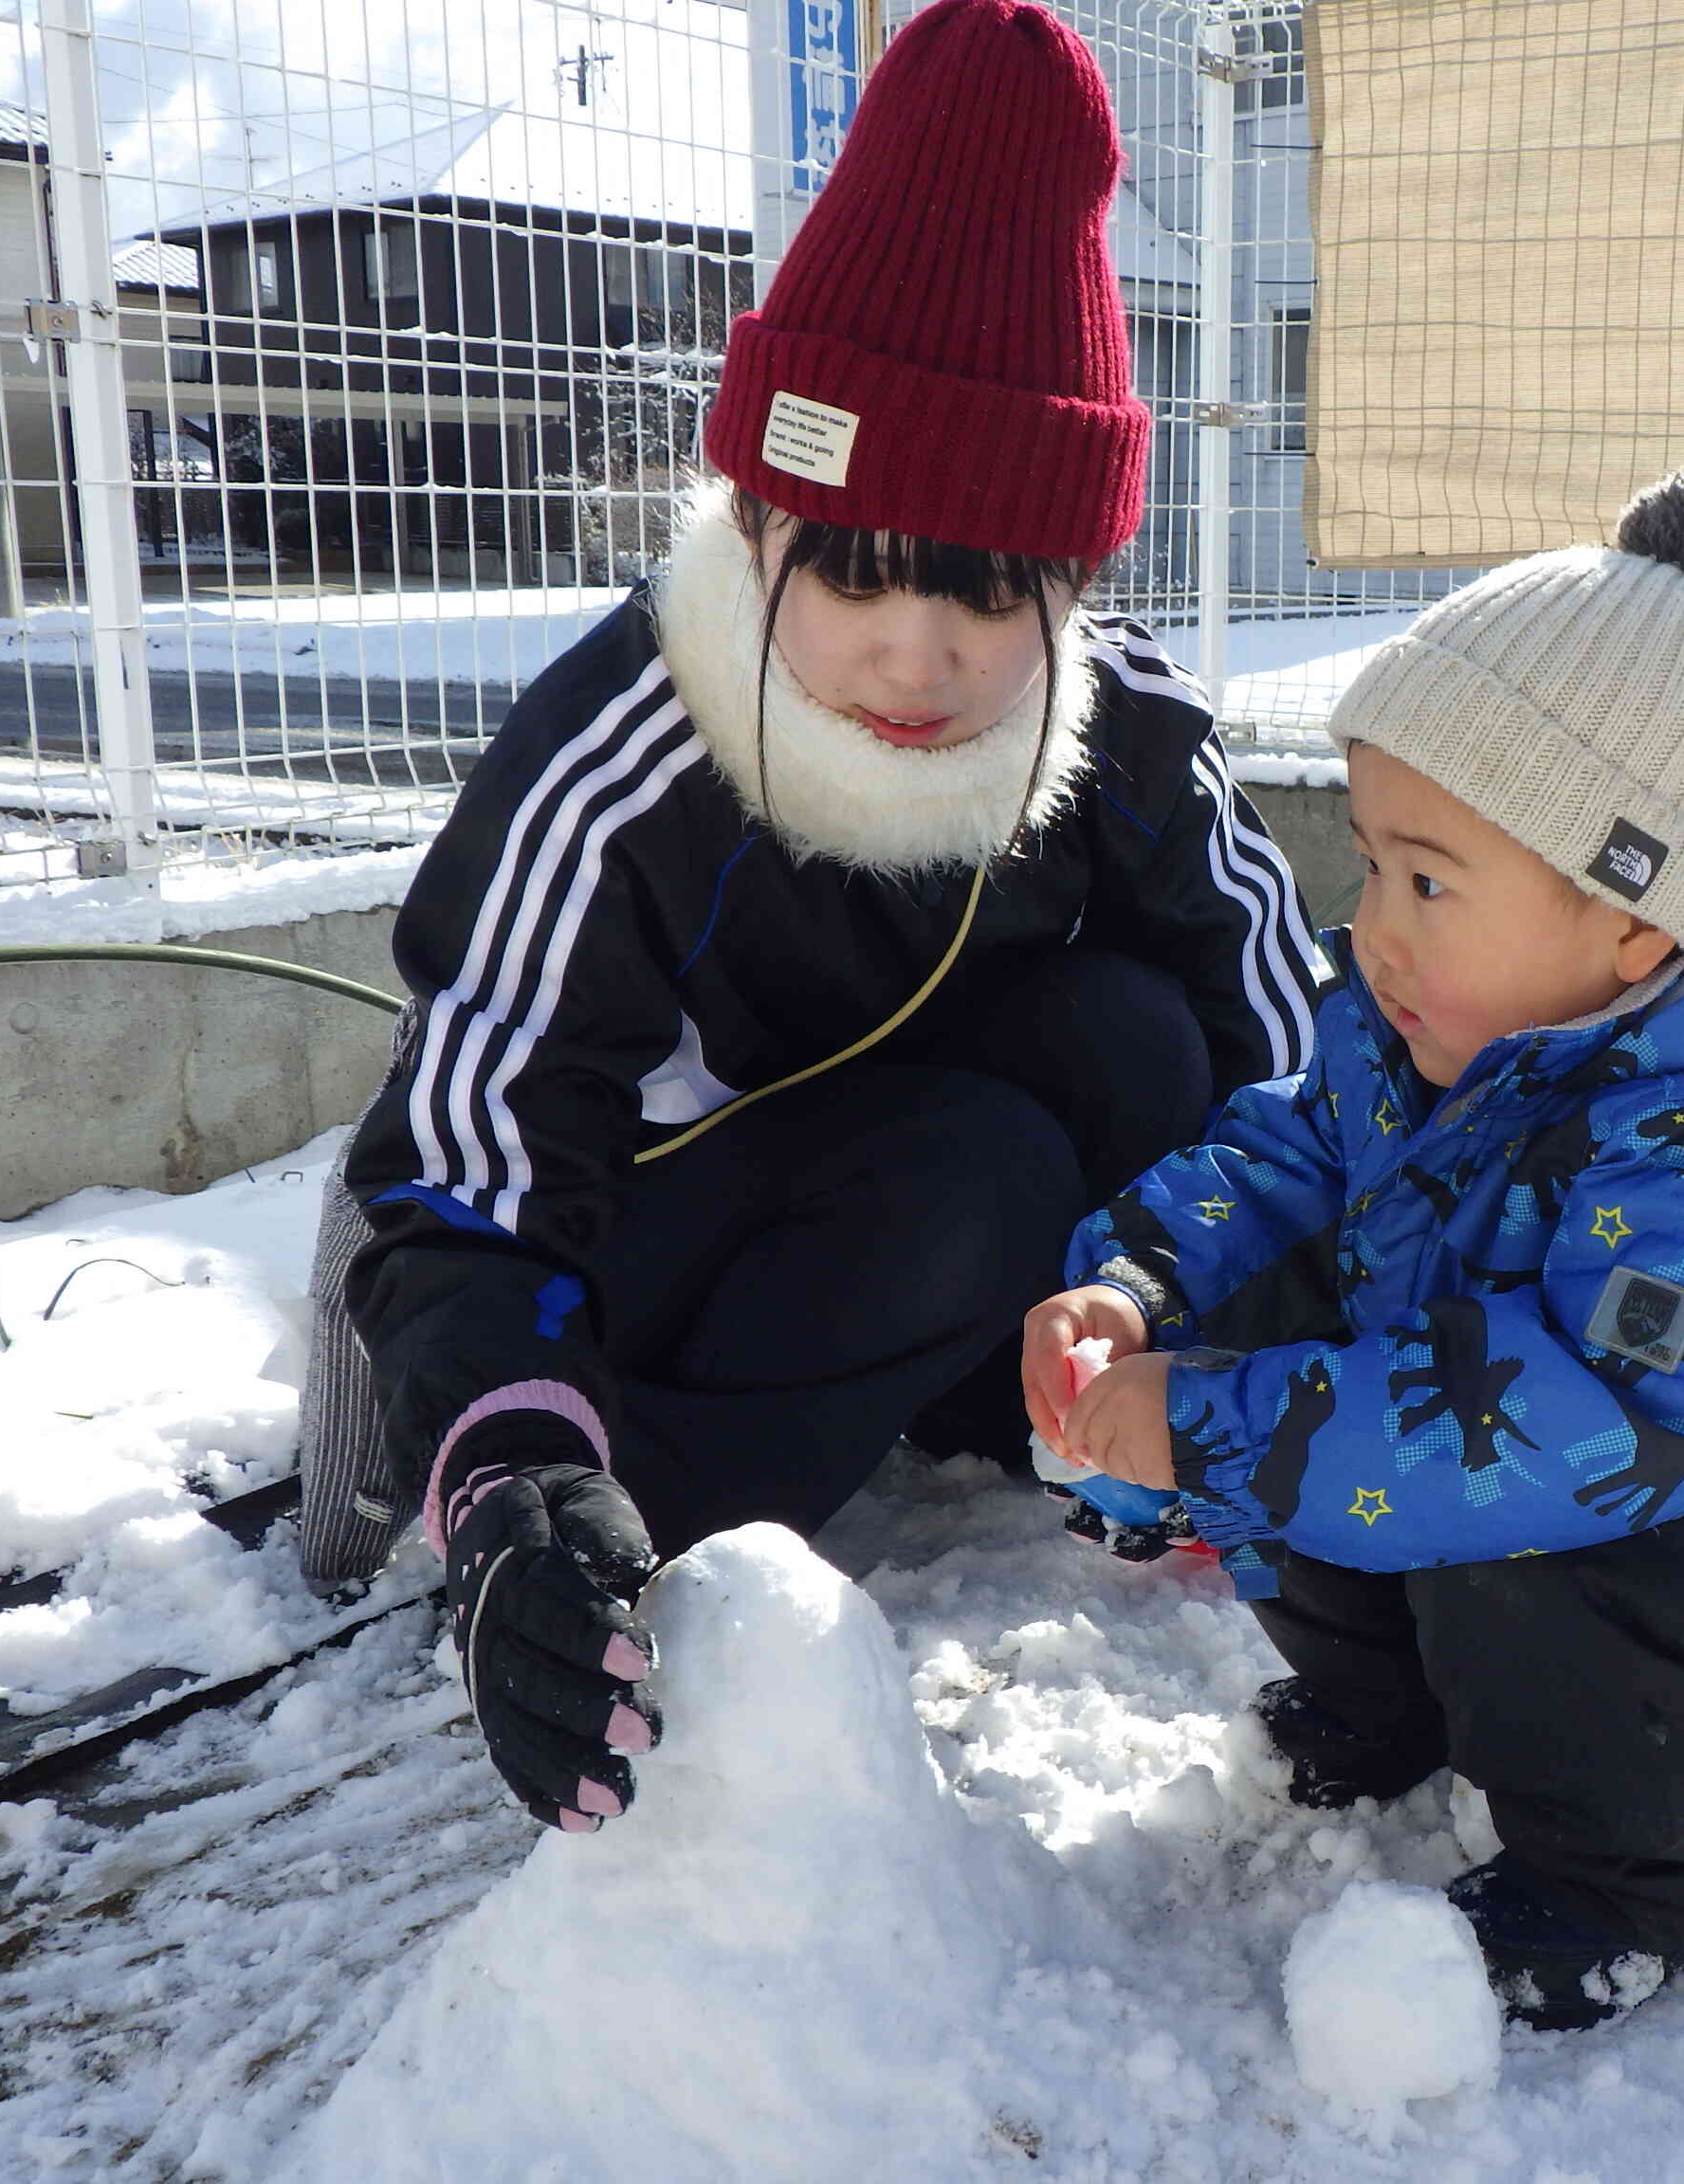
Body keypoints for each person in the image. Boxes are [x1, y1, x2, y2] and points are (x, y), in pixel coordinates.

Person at [301, 0, 1318, 1835]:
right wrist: (521, 1476)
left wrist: (1321, 1368)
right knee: (977, 1163)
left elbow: (1285, 1054)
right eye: (854, 569)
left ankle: (1034, 1416)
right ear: (764, 521)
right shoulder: (629, 745)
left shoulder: (1126, 732)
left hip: (889, 1211)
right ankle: (643, 1551)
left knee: (1133, 1038)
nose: (914, 657)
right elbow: (461, 1156)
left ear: (1069, 585)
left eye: (991, 595)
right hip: (614, 1276)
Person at [1022, 471, 1684, 2029]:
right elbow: (1282, 1153)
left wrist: (1206, 1425)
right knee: (1288, 1298)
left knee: (1526, 1520)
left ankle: (1666, 1881)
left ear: (1633, 927)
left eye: (1431, 879)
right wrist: (1134, 1293)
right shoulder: (1433, 1022)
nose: (1373, 924)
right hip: (1524, 1465)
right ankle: (1392, 1706)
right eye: (1374, 861)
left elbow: (1585, 1423)